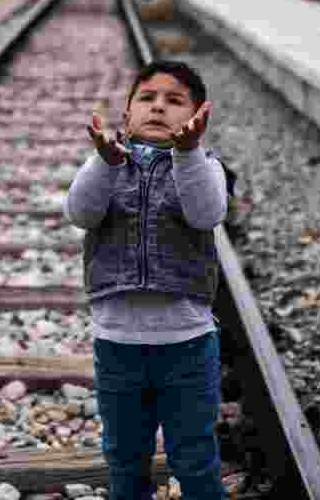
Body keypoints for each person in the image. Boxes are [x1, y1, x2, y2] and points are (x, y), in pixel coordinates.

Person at [63, 59, 229, 500]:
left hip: (189, 346)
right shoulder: (105, 162)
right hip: (117, 346)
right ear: (127, 115)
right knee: (124, 456)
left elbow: (207, 213)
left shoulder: (204, 166)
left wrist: (188, 152)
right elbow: (80, 212)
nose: (159, 107)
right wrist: (104, 163)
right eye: (147, 98)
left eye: (175, 101)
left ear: (196, 119)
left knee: (194, 456)